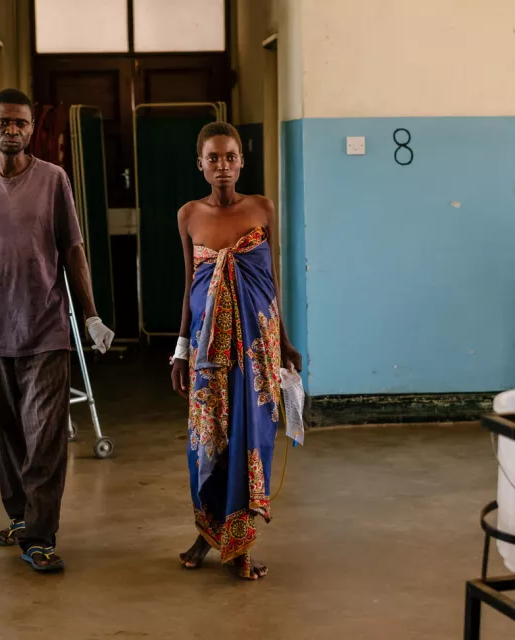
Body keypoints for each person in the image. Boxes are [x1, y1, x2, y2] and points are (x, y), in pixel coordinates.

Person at [0, 88, 115, 573]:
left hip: (46, 329)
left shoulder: (53, 179)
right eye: (4, 122)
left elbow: (72, 249)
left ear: (32, 129)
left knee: (44, 439)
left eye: (21, 123)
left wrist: (91, 315)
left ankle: (39, 536)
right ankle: (20, 518)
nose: (12, 130)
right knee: (6, 437)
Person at [171, 121, 302, 580]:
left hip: (257, 351)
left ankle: (239, 546)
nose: (222, 166)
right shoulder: (189, 214)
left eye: (230, 157)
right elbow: (190, 284)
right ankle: (207, 535)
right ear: (200, 164)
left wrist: (284, 339)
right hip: (208, 349)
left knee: (251, 438)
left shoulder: (262, 208)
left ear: (242, 161)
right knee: (208, 442)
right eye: (214, 158)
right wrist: (181, 349)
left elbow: (271, 281)